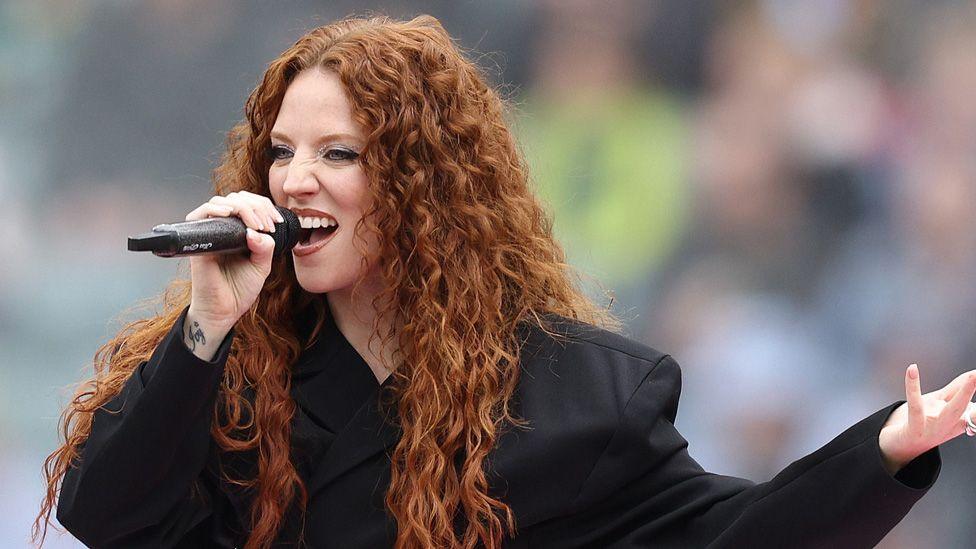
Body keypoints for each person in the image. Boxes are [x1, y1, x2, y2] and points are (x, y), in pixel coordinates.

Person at [31, 14, 972, 549]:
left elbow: (730, 538)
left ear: (422, 182)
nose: (293, 178)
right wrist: (204, 326)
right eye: (280, 152)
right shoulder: (232, 373)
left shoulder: (570, 394)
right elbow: (102, 511)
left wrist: (882, 451)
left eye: (337, 152)